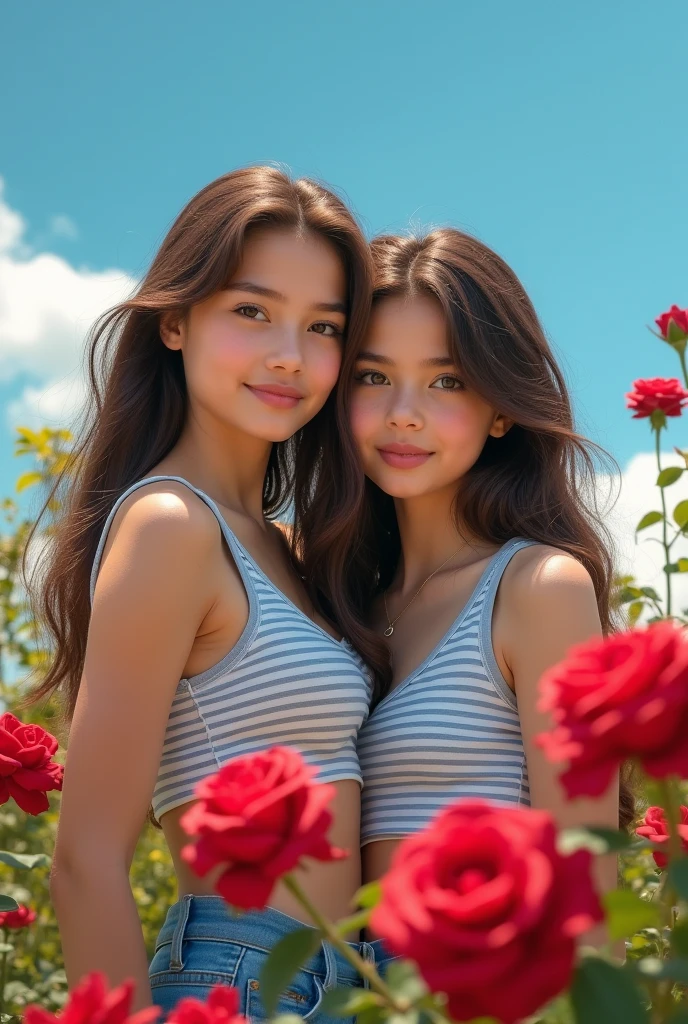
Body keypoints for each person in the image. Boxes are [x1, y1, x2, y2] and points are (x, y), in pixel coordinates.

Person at [33, 166, 378, 1018]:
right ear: (177, 322)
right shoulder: (169, 528)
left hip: (353, 985)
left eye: (323, 326)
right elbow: (85, 861)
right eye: (252, 311)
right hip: (243, 981)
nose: (289, 356)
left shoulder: (294, 549)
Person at [300, 227, 633, 959]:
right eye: (373, 375)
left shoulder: (538, 589)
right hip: (347, 994)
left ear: (502, 407)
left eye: (447, 380)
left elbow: (588, 893)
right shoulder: (338, 603)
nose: (405, 413)